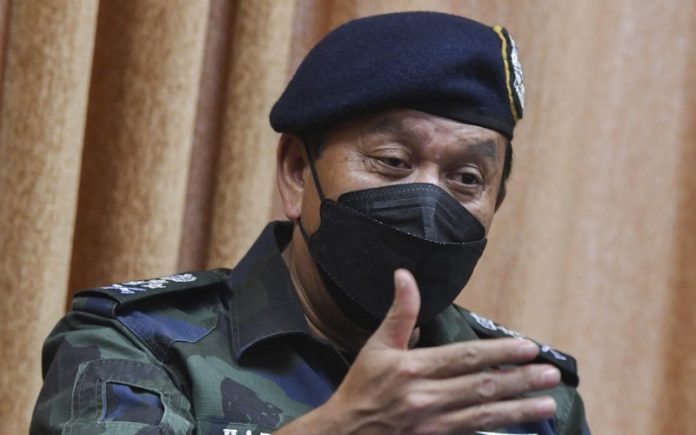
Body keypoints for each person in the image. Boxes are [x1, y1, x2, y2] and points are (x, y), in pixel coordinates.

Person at [31, 11, 590, 435]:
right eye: (393, 161)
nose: (428, 201)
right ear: (298, 171)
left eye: (466, 177)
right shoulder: (137, 347)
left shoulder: (531, 399)